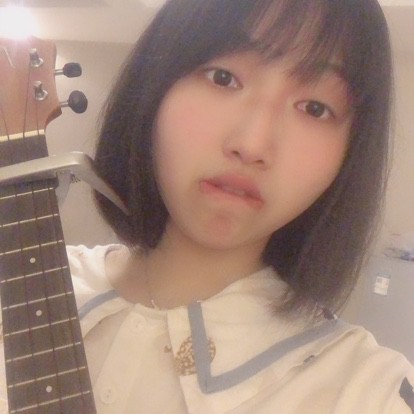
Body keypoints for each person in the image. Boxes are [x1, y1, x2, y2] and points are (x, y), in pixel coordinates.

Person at [3, 0, 413, 413]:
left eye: (314, 108)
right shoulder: (17, 292)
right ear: (154, 86)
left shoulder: (367, 391)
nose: (252, 144)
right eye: (223, 78)